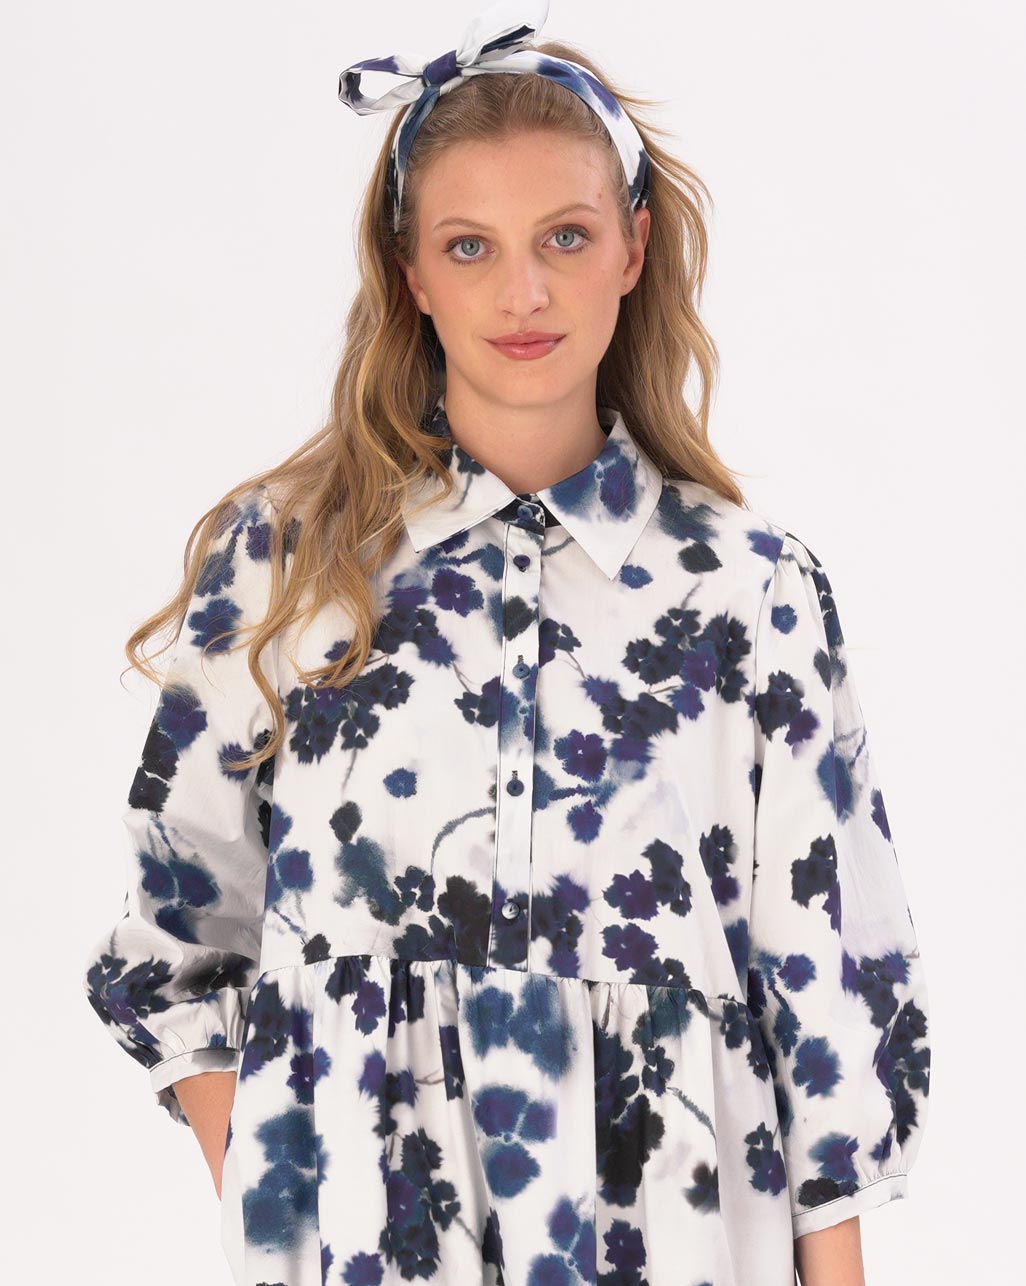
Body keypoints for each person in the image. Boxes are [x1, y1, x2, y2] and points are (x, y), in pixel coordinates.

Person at [81, 2, 931, 1283]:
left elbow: (829, 1004)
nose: (523, 293)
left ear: (632, 248)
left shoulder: (751, 592)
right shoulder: (287, 561)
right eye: (469, 246)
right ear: (411, 274)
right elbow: (177, 934)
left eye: (565, 237)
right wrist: (274, 1177)